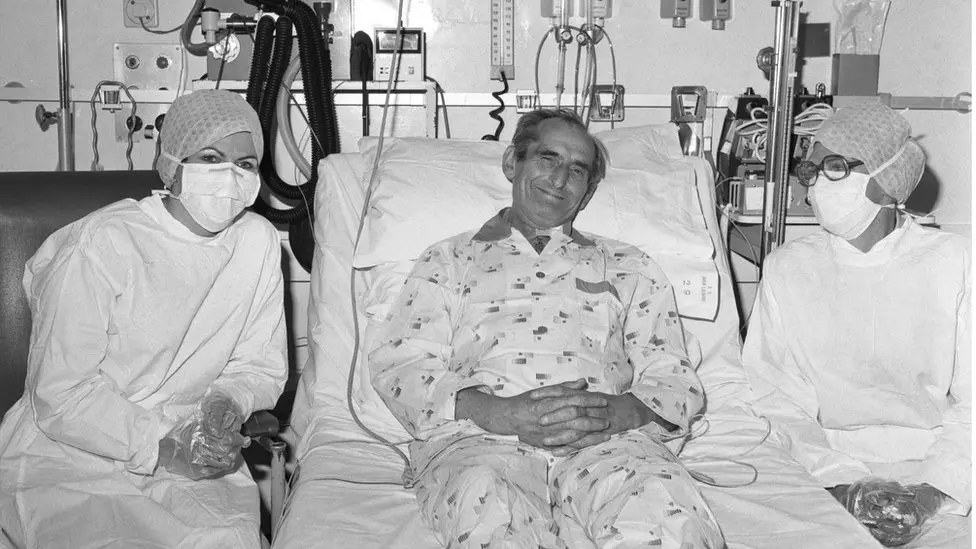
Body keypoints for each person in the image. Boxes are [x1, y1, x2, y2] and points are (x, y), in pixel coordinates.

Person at [368, 109, 725, 549]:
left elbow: (676, 378)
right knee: (489, 515)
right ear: (510, 163)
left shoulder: (628, 265)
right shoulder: (449, 260)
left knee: (663, 513)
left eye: (577, 170)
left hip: (609, 443)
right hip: (482, 442)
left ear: (589, 190)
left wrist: (619, 412)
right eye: (546, 159)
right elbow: (400, 364)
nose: (559, 180)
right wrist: (495, 412)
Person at [0, 89, 288, 549]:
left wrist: (228, 402)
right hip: (73, 452)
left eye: (246, 164)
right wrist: (162, 445)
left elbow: (260, 364)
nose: (230, 176)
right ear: (173, 164)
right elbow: (60, 394)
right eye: (211, 157)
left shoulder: (258, 243)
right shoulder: (104, 243)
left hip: (197, 451)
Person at [741, 101, 970, 547]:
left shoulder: (955, 262)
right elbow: (775, 397)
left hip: (943, 469)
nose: (815, 184)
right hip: (820, 470)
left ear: (888, 180)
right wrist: (845, 485)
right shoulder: (788, 268)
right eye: (810, 171)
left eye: (834, 166)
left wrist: (931, 492)